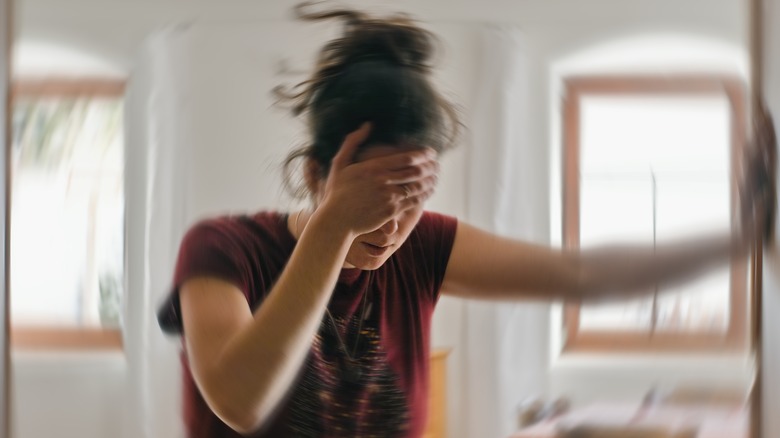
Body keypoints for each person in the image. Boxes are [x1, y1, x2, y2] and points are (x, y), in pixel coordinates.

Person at [156, 4, 776, 438]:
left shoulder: (423, 249)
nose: (391, 224)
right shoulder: (222, 248)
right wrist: (334, 226)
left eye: (410, 196)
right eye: (370, 194)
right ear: (318, 175)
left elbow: (583, 274)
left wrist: (745, 236)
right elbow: (240, 402)